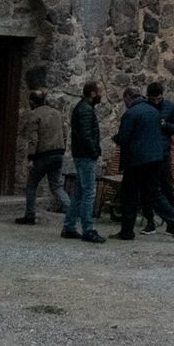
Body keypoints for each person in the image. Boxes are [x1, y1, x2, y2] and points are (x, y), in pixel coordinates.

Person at [113, 81, 174, 241]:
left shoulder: (131, 114)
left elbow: (124, 139)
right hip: (157, 158)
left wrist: (116, 138)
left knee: (129, 195)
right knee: (154, 192)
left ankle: (127, 231)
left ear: (127, 97)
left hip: (136, 161)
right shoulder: (154, 112)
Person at [16, 89, 70, 226]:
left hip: (43, 156)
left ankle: (29, 216)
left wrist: (31, 158)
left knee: (31, 185)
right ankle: (72, 212)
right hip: (58, 153)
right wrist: (61, 149)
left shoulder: (34, 115)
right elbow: (64, 133)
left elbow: (33, 139)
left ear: (32, 102)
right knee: (57, 186)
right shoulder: (57, 113)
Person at [63, 81, 106, 243]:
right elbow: (86, 135)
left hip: (82, 154)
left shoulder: (83, 108)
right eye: (99, 92)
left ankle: (69, 226)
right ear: (93, 93)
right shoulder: (86, 110)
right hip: (86, 155)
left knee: (81, 192)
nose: (101, 95)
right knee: (89, 192)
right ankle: (88, 229)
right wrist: (94, 152)